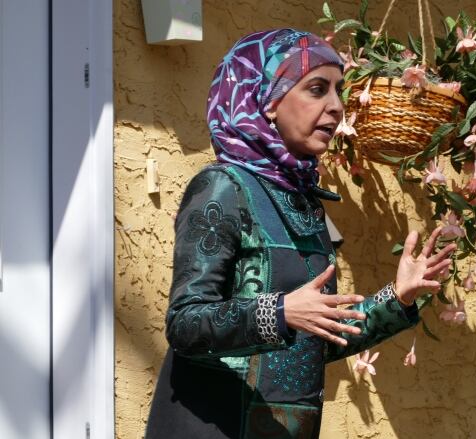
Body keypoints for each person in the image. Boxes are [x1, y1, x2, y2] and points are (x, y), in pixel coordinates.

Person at [145, 28, 455, 439]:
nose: (336, 106)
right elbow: (184, 324)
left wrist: (397, 298)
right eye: (317, 89)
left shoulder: (303, 202)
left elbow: (310, 342)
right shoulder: (223, 187)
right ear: (269, 102)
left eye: (339, 90)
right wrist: (280, 312)